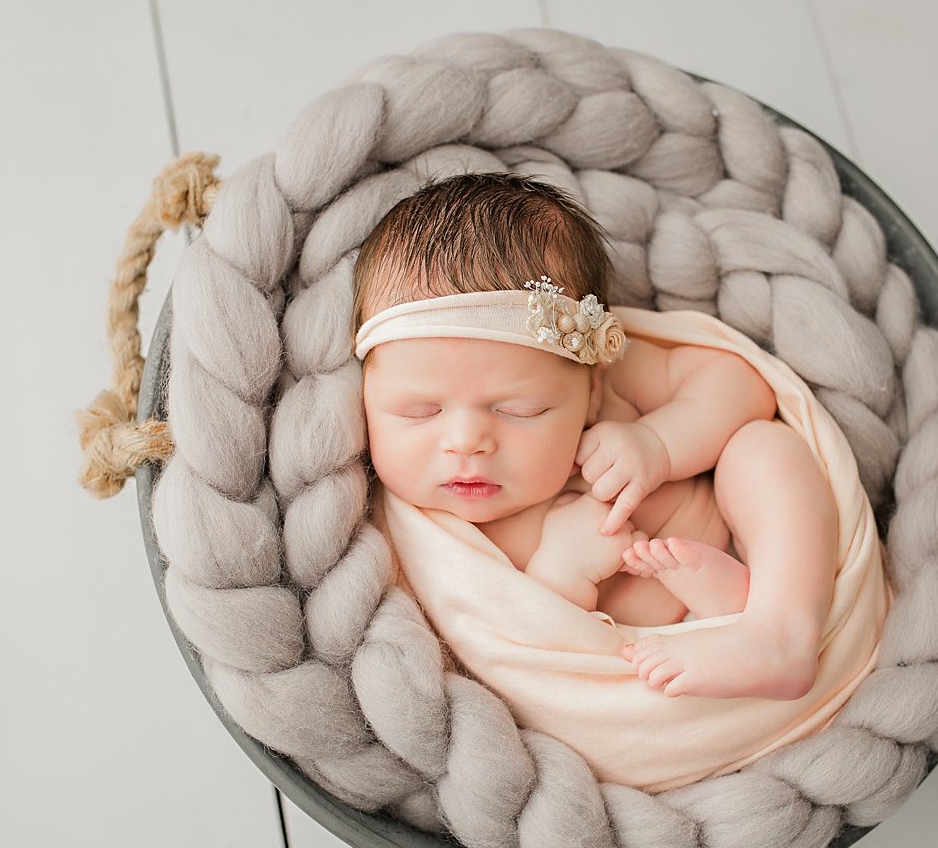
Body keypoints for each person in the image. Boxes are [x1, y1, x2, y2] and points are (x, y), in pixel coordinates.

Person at [354, 172, 843, 701]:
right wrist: (562, 571)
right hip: (640, 678)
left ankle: (781, 629)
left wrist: (659, 443)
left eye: (521, 410)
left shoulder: (611, 392)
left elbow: (742, 382)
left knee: (765, 448)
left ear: (591, 384)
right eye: (418, 411)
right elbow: (515, 664)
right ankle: (737, 619)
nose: (466, 441)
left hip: (754, 565)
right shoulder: (411, 541)